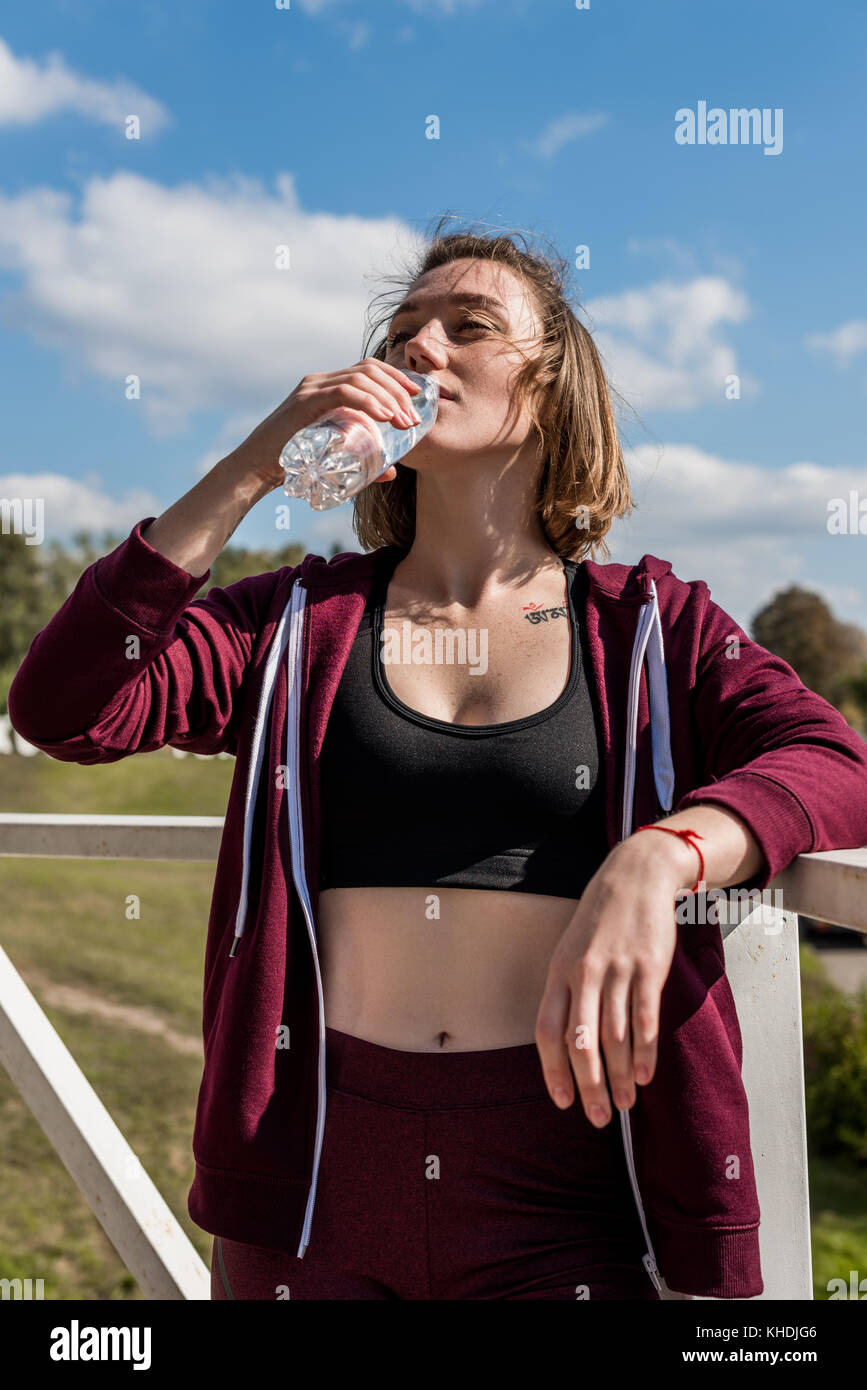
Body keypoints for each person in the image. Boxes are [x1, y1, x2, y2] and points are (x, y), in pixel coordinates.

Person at [10, 224, 867, 1301]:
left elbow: (832, 758)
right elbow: (67, 707)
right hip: (315, 1176)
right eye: (402, 328)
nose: (420, 346)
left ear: (552, 387)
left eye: (468, 326)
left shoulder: (653, 623)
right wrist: (250, 466)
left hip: (572, 1188)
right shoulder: (293, 621)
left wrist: (668, 855)